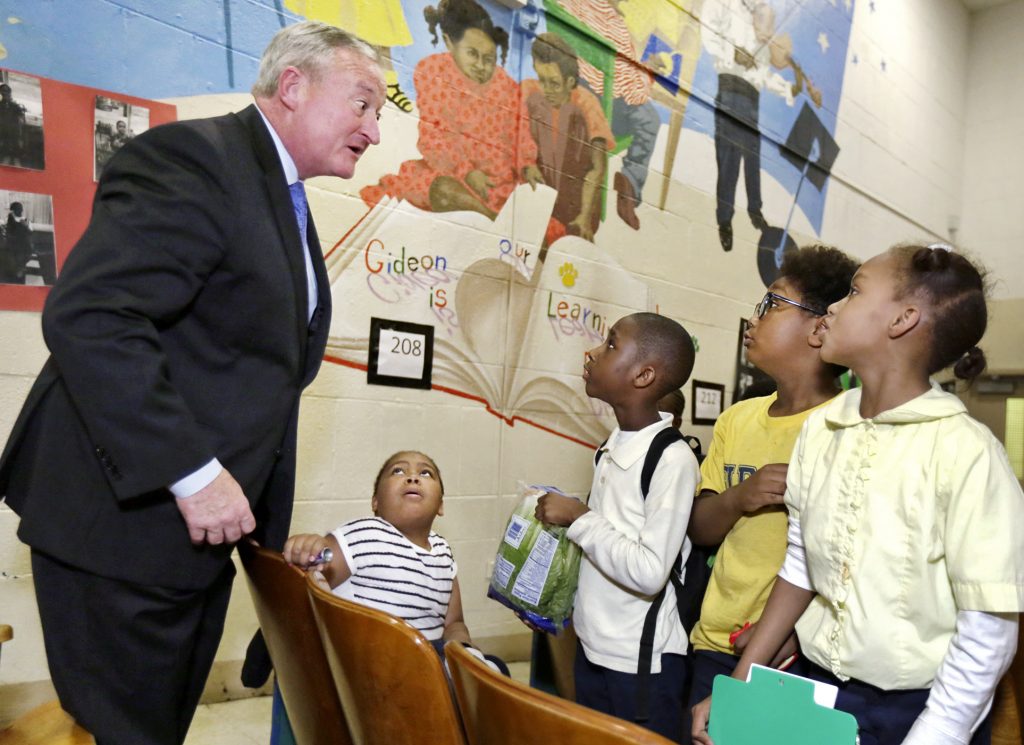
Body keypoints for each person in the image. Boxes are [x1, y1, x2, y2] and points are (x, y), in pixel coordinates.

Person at [0, 21, 385, 745]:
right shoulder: (197, 160)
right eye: (362, 104)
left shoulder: (281, 196)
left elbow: (249, 375)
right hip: (124, 532)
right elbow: (92, 315)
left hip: (193, 544)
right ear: (294, 87)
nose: (373, 131)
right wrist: (192, 471)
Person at [692, 244, 1024, 745]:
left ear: (903, 319)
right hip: (817, 690)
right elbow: (801, 566)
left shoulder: (967, 453)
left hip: (919, 711)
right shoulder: (824, 429)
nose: (833, 307)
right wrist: (743, 682)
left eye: (854, 292)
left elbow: (989, 629)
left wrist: (938, 734)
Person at [685, 246, 859, 728]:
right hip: (715, 641)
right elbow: (701, 528)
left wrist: (792, 634)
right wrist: (742, 497)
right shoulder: (737, 419)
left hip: (793, 655)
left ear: (820, 327)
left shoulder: (845, 428)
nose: (753, 320)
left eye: (772, 305)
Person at [535, 312, 700, 741]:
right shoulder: (611, 445)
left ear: (644, 375)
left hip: (640, 666)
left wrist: (578, 517)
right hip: (594, 648)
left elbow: (648, 572)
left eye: (610, 344)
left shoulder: (671, 458)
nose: (590, 352)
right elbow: (604, 546)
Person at [285, 450, 502, 667]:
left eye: (426, 474)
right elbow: (314, 574)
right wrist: (309, 550)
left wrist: (466, 654)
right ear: (375, 502)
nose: (413, 477)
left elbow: (454, 624)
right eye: (398, 471)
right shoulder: (364, 533)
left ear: (440, 506)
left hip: (433, 662)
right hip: (377, 663)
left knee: (494, 667)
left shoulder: (443, 553)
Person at [361, 0, 542, 221]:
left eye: (489, 58)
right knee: (442, 190)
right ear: (449, 43)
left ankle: (490, 217)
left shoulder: (506, 86)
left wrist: (527, 164)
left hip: (499, 182)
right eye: (472, 54)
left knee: (530, 215)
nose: (481, 65)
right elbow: (434, 137)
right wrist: (467, 172)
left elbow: (522, 131)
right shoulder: (433, 71)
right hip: (452, 174)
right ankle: (489, 218)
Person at [701, 0, 821, 251]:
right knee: (729, 160)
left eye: (771, 23)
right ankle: (725, 219)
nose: (767, 28)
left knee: (752, 159)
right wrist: (732, 53)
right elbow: (709, 31)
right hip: (730, 90)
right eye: (764, 21)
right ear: (754, 16)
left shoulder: (763, 47)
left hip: (751, 101)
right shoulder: (730, 11)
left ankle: (755, 210)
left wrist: (792, 86)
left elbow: (765, 76)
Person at [556, 0, 660, 231]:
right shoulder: (615, 26)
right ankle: (630, 186)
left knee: (642, 110)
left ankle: (628, 187)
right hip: (603, 107)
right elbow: (630, 91)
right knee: (650, 118)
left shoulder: (574, 4)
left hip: (578, 91)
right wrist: (648, 73)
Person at [522, 32, 613, 243]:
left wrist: (584, 216)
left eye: (554, 83)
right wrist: (526, 164)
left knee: (572, 114)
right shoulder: (530, 91)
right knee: (534, 102)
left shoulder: (587, 104)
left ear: (570, 81)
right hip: (541, 192)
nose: (546, 90)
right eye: (541, 79)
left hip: (575, 201)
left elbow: (597, 168)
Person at [1, 201, 33, 284]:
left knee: (21, 256)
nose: (20, 211)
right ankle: (14, 272)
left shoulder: (25, 220)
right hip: (11, 244)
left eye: (21, 209)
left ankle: (19, 270)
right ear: (14, 210)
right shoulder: (9, 218)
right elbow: (6, 231)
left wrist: (25, 225)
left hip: (22, 244)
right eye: (18, 209)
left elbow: (30, 232)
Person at [0, 82, 26, 166]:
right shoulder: (1, 105)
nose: (5, 93)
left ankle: (15, 158)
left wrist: (21, 116)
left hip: (14, 132)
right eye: (3, 92)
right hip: (4, 133)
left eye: (7, 92)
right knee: (6, 155)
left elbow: (21, 116)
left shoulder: (15, 105)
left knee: (16, 155)